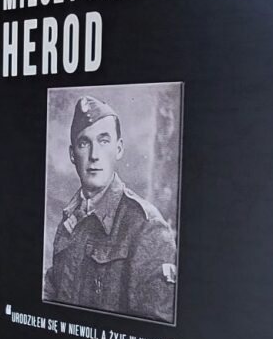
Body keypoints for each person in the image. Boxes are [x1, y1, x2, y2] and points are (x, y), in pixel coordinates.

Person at [44, 96, 177, 323]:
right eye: (84, 143)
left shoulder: (146, 227)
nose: (94, 155)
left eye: (104, 141)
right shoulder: (70, 219)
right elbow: (52, 294)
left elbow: (153, 329)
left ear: (119, 149)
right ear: (72, 154)